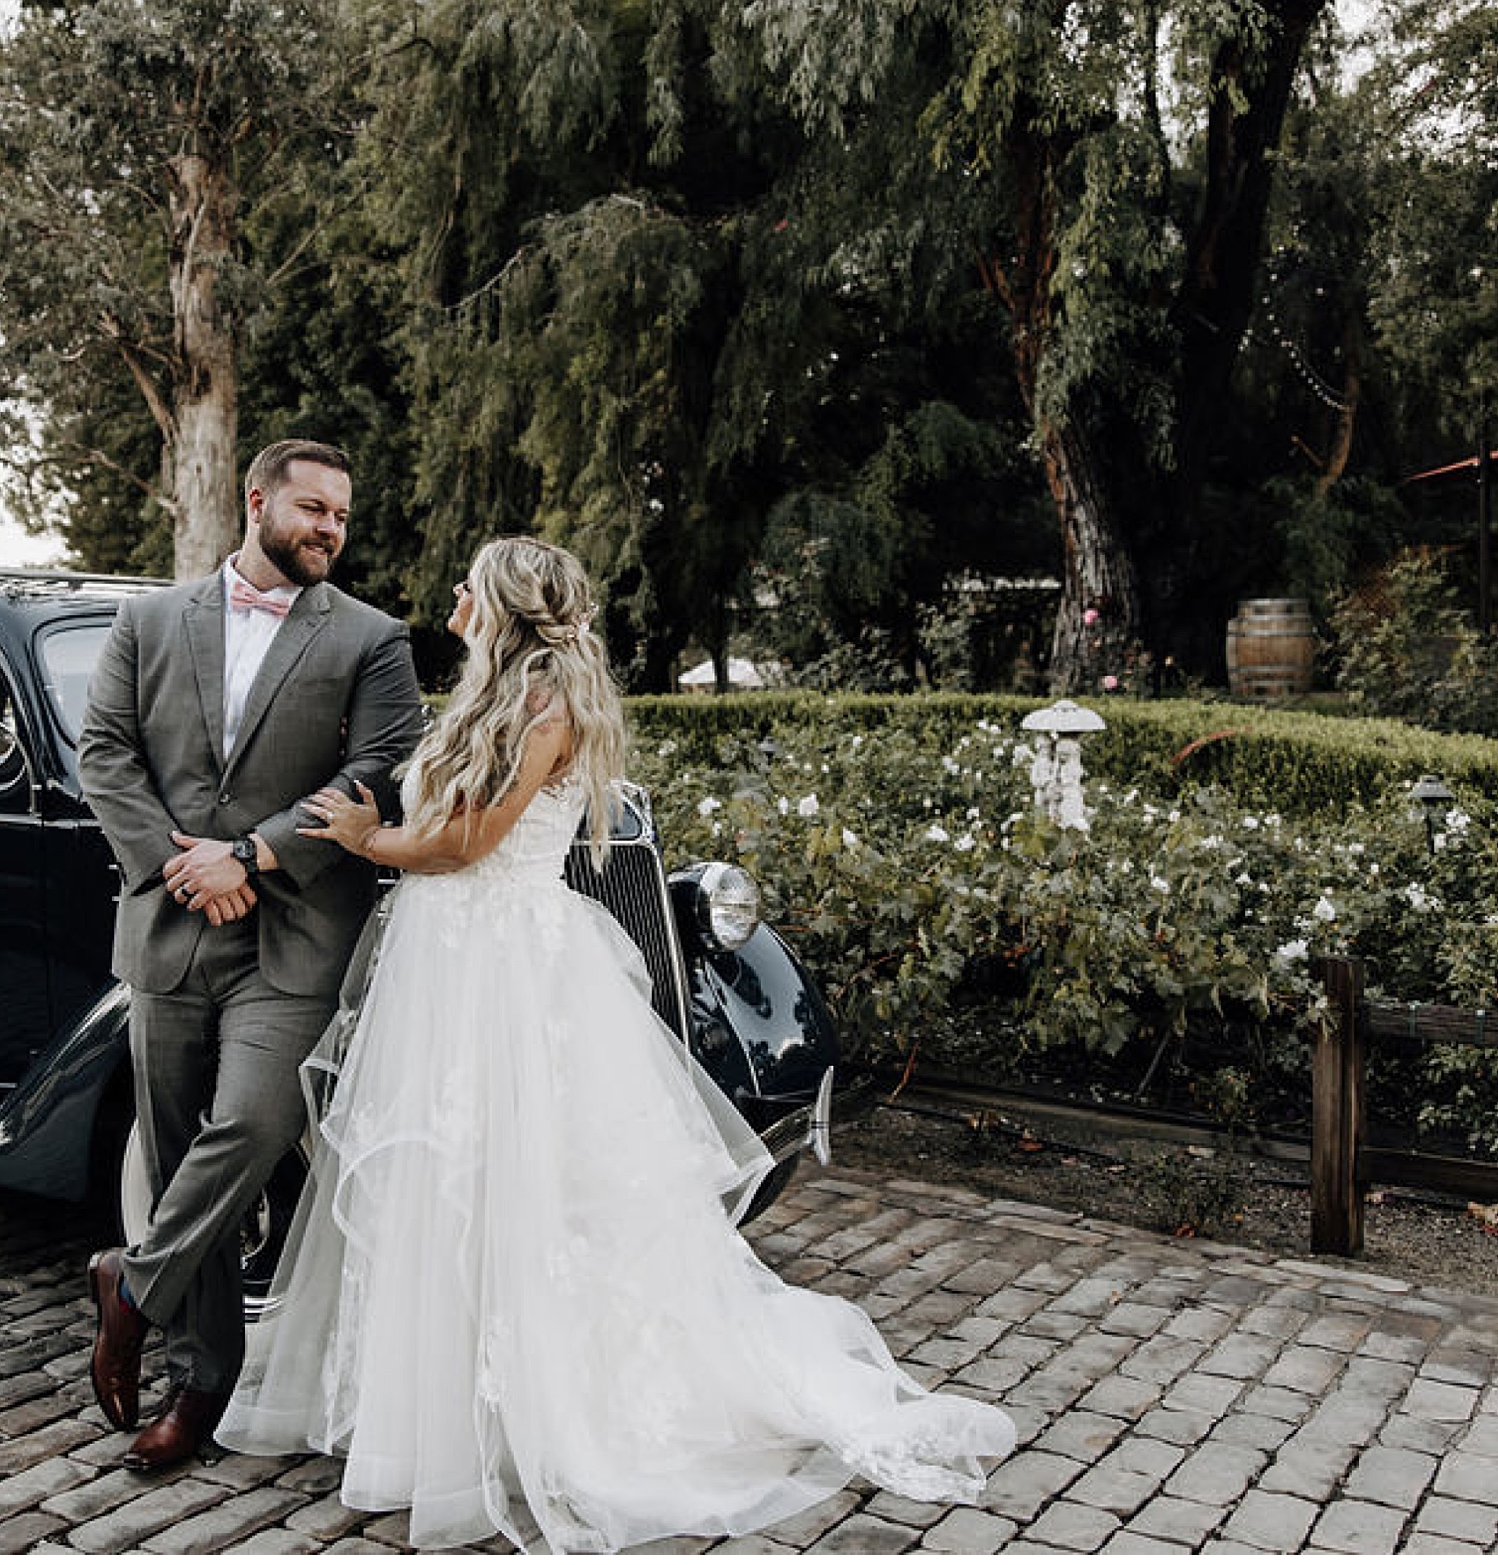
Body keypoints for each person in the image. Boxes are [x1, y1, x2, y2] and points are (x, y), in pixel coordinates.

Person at [218, 536, 1017, 1553]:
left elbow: (469, 843)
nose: (454, 593)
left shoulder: (546, 701)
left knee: (529, 1183)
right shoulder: (487, 688)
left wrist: (363, 839)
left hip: (504, 961)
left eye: (471, 582)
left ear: (504, 603)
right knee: (449, 1176)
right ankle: (438, 1408)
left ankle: (544, 1415)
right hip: (450, 955)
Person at [75, 439, 425, 1474]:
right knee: (184, 1157)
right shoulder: (145, 621)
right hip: (172, 929)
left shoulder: (371, 638)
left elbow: (379, 769)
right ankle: (199, 1390)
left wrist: (255, 853)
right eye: (312, 508)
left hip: (295, 933)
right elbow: (105, 755)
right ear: (256, 499)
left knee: (258, 1125)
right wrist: (182, 868)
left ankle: (131, 1283)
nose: (328, 529)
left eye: (341, 517)